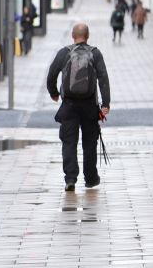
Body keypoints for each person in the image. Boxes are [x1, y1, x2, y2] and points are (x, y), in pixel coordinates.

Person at [46, 23, 111, 191]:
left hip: (69, 105)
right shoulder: (95, 53)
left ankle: (70, 179)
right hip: (89, 106)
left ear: (73, 36)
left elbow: (52, 74)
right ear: (87, 36)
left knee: (69, 142)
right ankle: (90, 178)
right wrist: (105, 104)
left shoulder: (64, 53)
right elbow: (103, 79)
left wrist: (54, 93)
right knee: (90, 143)